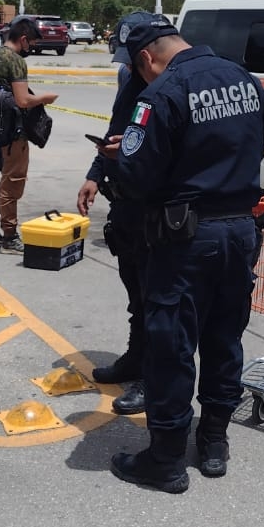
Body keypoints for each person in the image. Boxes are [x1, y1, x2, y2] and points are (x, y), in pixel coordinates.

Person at [103, 12, 264, 493]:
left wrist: (122, 159)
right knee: (225, 337)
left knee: (171, 347)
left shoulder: (161, 94)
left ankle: (167, 458)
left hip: (185, 240)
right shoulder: (245, 80)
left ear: (145, 59)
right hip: (241, 230)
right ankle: (214, 442)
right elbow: (251, 149)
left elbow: (138, 180)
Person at [76, 58, 150, 416]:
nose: (128, 67)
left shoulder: (172, 90)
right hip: (125, 205)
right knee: (135, 292)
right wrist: (95, 173)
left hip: (155, 209)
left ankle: (153, 378)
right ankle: (135, 359)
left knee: (156, 301)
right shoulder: (131, 84)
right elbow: (114, 132)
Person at [0, 16, 58, 255]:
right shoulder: (15, 62)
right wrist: (44, 98)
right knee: (14, 183)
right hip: (14, 131)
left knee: (7, 177)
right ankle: (9, 237)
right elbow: (23, 100)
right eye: (31, 43)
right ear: (23, 39)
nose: (31, 48)